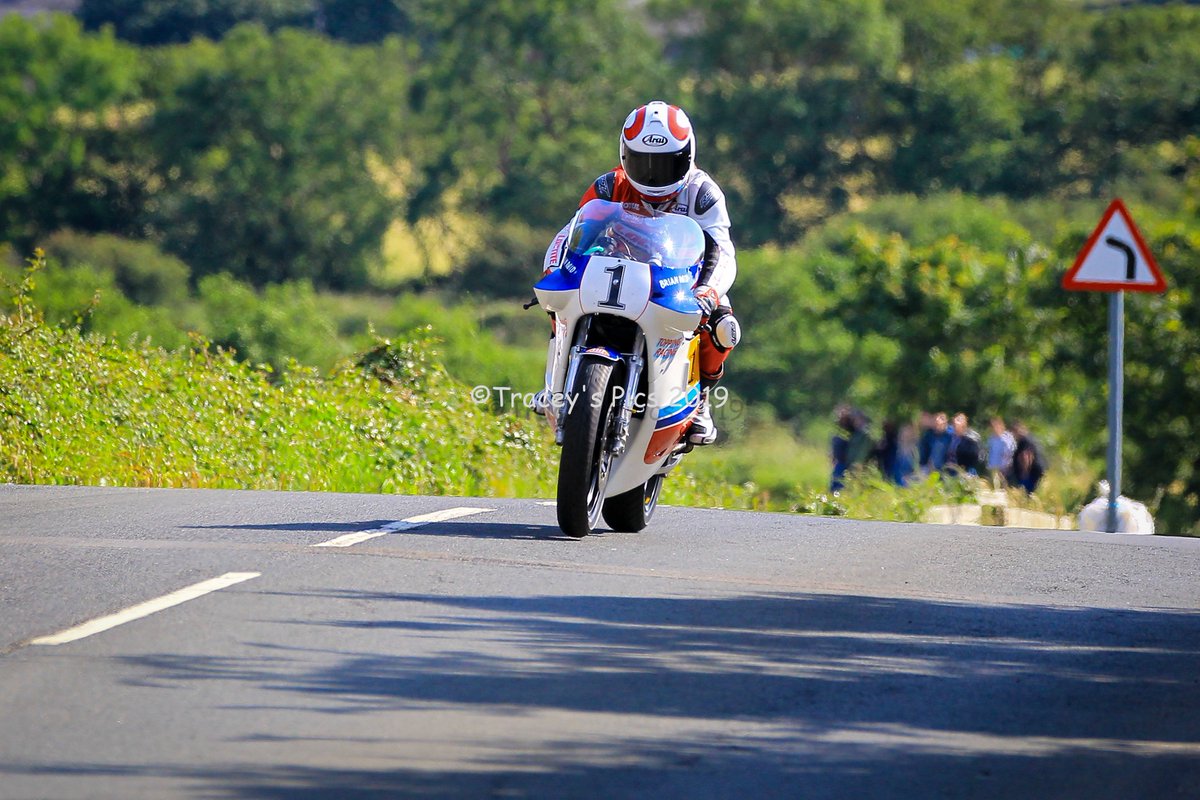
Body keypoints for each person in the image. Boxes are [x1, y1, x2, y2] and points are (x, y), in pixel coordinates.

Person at [540, 100, 740, 445]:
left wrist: (708, 291)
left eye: (665, 164)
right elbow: (571, 232)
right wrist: (555, 268)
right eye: (642, 161)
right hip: (615, 272)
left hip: (679, 281)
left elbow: (721, 250)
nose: (652, 174)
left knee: (724, 329)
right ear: (624, 154)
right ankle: (558, 382)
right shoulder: (607, 186)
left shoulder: (703, 193)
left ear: (688, 156)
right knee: (557, 298)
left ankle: (701, 397)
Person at [831, 406, 871, 492]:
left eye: (857, 419)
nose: (855, 422)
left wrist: (857, 463)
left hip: (856, 466)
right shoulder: (855, 433)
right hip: (848, 464)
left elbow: (862, 451)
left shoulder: (865, 434)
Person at [1006, 421, 1046, 494]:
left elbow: (1026, 456)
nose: (1013, 435)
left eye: (1013, 432)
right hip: (1035, 471)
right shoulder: (1030, 438)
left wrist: (1024, 472)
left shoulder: (1024, 441)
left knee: (1026, 494)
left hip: (1030, 473)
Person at [945, 412, 983, 477]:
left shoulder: (970, 438)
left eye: (959, 420)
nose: (956, 421)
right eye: (956, 419)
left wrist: (959, 467)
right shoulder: (949, 436)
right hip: (948, 470)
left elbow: (974, 458)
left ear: (964, 423)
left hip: (965, 471)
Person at [986, 416, 1016, 485]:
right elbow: (989, 453)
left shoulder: (1008, 438)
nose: (994, 428)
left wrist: (1004, 469)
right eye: (992, 426)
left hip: (1005, 470)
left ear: (1001, 425)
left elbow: (1010, 454)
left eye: (996, 425)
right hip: (993, 470)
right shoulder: (991, 439)